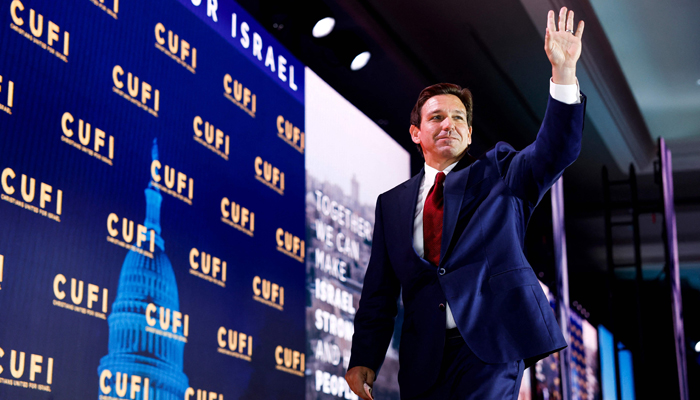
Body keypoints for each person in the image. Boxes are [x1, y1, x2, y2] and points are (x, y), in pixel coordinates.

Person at [346, 7, 586, 400]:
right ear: (416, 133)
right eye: (436, 117)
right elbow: (379, 293)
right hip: (424, 363)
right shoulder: (391, 204)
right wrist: (363, 357)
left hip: (490, 349)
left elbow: (554, 150)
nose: (448, 125)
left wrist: (564, 74)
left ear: (470, 134)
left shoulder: (501, 172)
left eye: (458, 118)